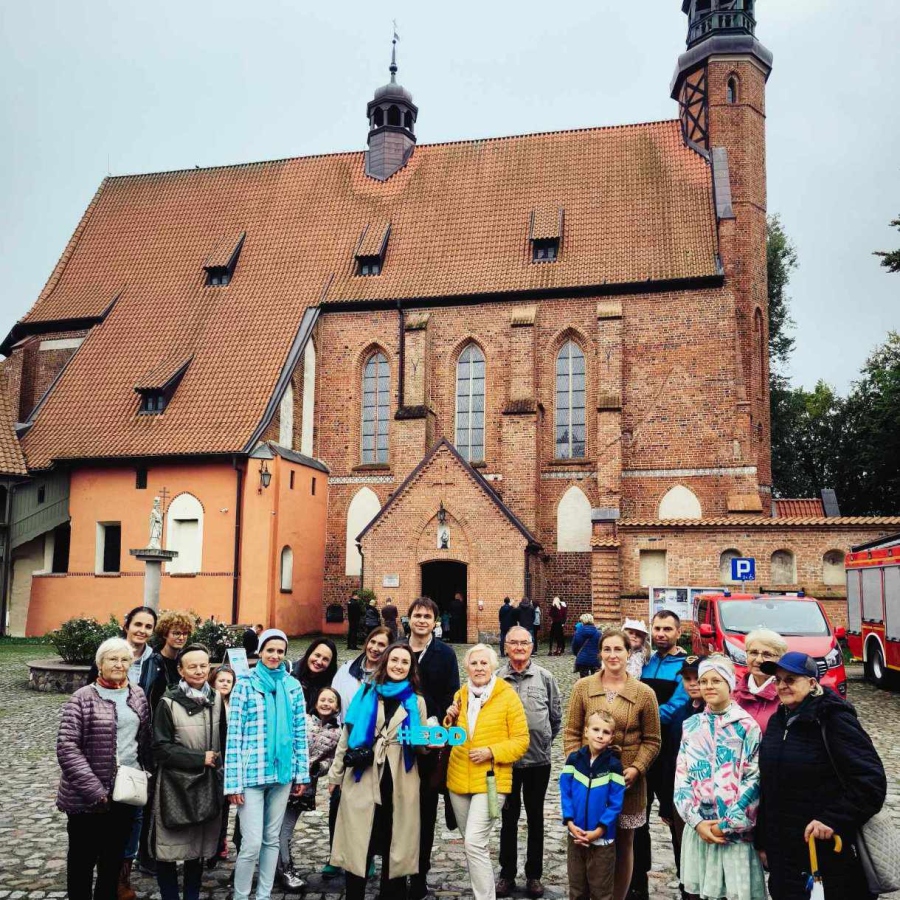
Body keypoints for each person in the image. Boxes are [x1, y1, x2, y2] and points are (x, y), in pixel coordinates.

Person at [758, 651, 887, 900]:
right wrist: (763, 841)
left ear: (812, 682)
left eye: (791, 679)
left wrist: (833, 819)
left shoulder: (834, 720)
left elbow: (870, 782)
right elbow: (769, 786)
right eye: (778, 679)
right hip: (784, 855)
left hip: (828, 853)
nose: (782, 686)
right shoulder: (777, 721)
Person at [564, 628, 661, 900]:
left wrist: (637, 768)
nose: (613, 655)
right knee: (588, 838)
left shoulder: (644, 694)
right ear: (600, 653)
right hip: (589, 780)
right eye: (607, 649)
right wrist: (577, 766)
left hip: (627, 780)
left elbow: (653, 740)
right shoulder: (583, 688)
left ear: (629, 653)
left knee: (624, 842)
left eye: (619, 649)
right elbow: (571, 732)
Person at [329, 644, 430, 900]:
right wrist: (336, 775)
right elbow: (347, 736)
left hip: (400, 779)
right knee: (359, 842)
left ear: (411, 668)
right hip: (363, 775)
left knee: (394, 844)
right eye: (394, 659)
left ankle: (391, 895)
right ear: (385, 662)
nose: (398, 665)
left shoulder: (416, 702)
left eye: (404, 662)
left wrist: (428, 742)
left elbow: (419, 747)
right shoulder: (365, 693)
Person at [57, 637, 152, 900]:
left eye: (124, 659)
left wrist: (145, 773)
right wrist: (96, 790)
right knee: (82, 862)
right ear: (100, 663)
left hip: (125, 794)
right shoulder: (82, 698)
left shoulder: (137, 694)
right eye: (112, 659)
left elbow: (144, 739)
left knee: (111, 862)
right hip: (87, 798)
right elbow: (67, 748)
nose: (119, 664)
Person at [224, 629, 310, 900]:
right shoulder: (245, 683)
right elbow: (234, 734)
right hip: (251, 774)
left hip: (282, 773)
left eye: (280, 651)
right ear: (260, 651)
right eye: (270, 650)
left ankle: (263, 895)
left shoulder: (292, 685)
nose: (275, 655)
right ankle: (240, 895)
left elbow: (299, 733)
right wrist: (232, 782)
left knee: (272, 839)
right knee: (250, 843)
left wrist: (301, 775)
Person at [674, 657, 766, 900]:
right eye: (704, 681)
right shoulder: (691, 725)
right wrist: (695, 820)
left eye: (716, 680)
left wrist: (727, 824)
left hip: (733, 835)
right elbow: (682, 776)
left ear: (730, 683)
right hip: (700, 829)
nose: (708, 686)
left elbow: (753, 779)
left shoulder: (747, 727)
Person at [446, 644, 530, 900]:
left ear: (493, 666)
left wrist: (492, 751)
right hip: (458, 779)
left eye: (484, 663)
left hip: (492, 780)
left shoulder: (506, 696)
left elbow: (521, 740)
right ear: (467, 667)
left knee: (474, 842)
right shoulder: (461, 694)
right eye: (474, 663)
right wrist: (448, 719)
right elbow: (454, 737)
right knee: (473, 846)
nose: (479, 668)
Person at [150, 643, 226, 900]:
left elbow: (224, 740)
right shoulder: (168, 703)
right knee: (168, 847)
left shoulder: (217, 700)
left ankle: (191, 896)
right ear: (181, 671)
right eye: (192, 666)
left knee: (198, 846)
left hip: (207, 783)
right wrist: (198, 758)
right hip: (174, 784)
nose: (199, 670)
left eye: (203, 665)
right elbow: (160, 748)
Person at [496, 626, 562, 899]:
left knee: (535, 818)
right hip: (506, 762)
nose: (520, 647)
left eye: (525, 643)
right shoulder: (496, 679)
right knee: (508, 818)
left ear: (532, 646)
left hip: (538, 761)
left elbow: (556, 716)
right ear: (506, 646)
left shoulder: (545, 677)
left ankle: (534, 874)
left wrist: (544, 740)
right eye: (514, 643)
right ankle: (507, 874)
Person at [405, 597, 461, 900]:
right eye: (418, 615)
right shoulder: (398, 650)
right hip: (398, 744)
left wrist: (433, 723)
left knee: (426, 812)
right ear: (409, 619)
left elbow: (451, 693)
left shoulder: (445, 654)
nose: (422, 620)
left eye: (428, 616)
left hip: (429, 744)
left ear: (435, 622)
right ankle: (398, 869)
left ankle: (420, 874)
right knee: (398, 812)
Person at [631, 610, 689, 900]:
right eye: (657, 628)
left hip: (671, 753)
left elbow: (678, 706)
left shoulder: (686, 667)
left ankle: (686, 882)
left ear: (679, 632)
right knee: (638, 817)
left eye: (668, 629)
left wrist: (641, 721)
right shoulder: (646, 662)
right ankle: (638, 879)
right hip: (644, 751)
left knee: (675, 820)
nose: (661, 633)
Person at [277, 686, 342, 891]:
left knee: (286, 828)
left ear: (337, 707)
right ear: (315, 703)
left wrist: (318, 767)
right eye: (323, 699)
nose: (326, 703)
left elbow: (332, 761)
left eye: (331, 700)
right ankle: (282, 868)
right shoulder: (302, 720)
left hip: (305, 786)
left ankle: (284, 868)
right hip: (284, 779)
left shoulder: (338, 733)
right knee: (275, 828)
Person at [560, 710, 626, 900]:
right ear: (586, 731)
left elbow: (615, 803)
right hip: (576, 835)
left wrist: (599, 830)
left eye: (606, 732)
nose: (600, 735)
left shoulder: (614, 766)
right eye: (596, 729)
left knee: (601, 891)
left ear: (612, 737)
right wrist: (570, 822)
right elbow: (566, 793)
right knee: (577, 888)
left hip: (602, 841)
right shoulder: (574, 760)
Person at [656, 655, 705, 898]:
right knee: (682, 851)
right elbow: (669, 760)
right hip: (680, 797)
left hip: (706, 800)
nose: (693, 683)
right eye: (687, 679)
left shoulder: (712, 712)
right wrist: (666, 802)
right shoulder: (679, 716)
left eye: (698, 678)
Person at [208, 665, 237, 868]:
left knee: (225, 806)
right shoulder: (209, 703)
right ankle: (209, 845)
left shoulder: (234, 705)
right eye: (221, 680)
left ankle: (220, 841)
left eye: (229, 681)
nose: (225, 684)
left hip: (229, 762)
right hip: (212, 759)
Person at [732, 629, 787, 733]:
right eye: (753, 653)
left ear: (779, 660)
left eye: (767, 655)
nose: (758, 660)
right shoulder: (733, 693)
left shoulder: (786, 696)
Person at [333, 626, 392, 715]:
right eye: (372, 642)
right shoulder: (346, 668)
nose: (375, 648)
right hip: (343, 726)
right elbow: (332, 699)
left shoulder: (389, 678)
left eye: (381, 645)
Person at [150, 610, 195, 709]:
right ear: (165, 634)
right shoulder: (152, 660)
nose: (181, 637)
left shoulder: (186, 660)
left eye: (185, 633)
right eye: (176, 633)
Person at [291, 638, 338, 712]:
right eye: (317, 655)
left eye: (325, 659)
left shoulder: (333, 684)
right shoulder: (289, 674)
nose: (319, 662)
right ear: (309, 653)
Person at [572, 613, 601, 677]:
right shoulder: (598, 633)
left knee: (584, 680)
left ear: (582, 621)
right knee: (596, 680)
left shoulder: (578, 633)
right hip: (595, 659)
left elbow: (574, 646)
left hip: (583, 659)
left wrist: (577, 654)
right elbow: (601, 646)